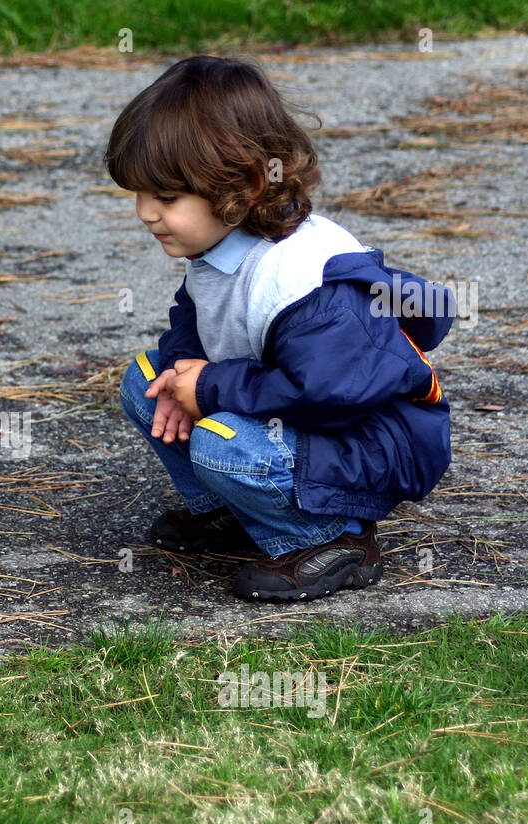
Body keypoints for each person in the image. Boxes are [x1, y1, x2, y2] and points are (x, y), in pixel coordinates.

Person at [106, 55, 454, 601]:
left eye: (166, 198)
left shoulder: (304, 282)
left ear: (241, 186)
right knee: (145, 382)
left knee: (225, 445)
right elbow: (192, 320)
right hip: (300, 419)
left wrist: (210, 389)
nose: (145, 213)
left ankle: (334, 537)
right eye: (140, 195)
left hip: (365, 442)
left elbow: (324, 393)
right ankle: (235, 512)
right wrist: (181, 375)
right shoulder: (218, 249)